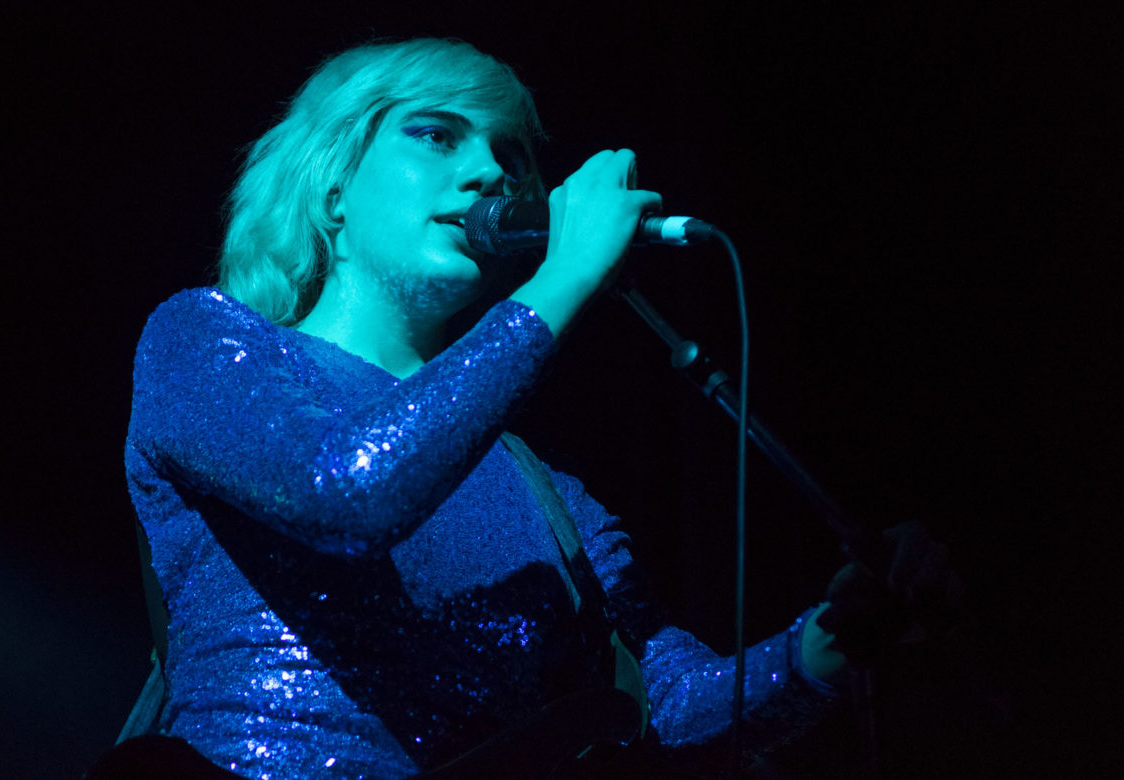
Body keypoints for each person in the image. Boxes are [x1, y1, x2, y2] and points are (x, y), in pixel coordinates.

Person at [124, 37, 881, 779]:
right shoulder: (204, 339)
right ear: (333, 187)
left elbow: (673, 707)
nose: (489, 172)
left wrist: (832, 643)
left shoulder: (548, 495)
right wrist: (567, 275)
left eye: (509, 157)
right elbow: (345, 490)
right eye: (437, 135)